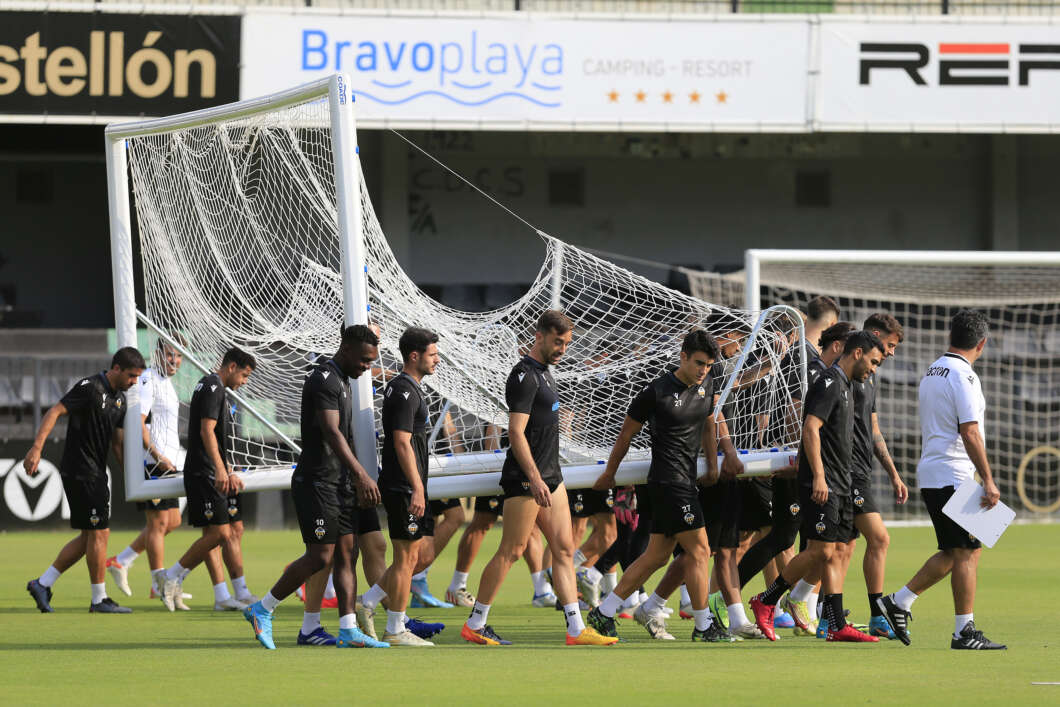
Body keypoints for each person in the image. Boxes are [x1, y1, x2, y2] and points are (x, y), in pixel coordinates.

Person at [460, 310, 616, 646]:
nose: (563, 349)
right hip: (526, 478)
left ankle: (575, 629)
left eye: (567, 343)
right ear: (539, 336)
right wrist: (533, 477)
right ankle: (476, 622)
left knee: (564, 549)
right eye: (558, 342)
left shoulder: (545, 373)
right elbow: (516, 432)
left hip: (551, 476)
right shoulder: (524, 376)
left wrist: (546, 476)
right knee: (512, 550)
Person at [588, 330, 738, 643]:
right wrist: (610, 474)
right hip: (669, 483)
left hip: (683, 481)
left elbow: (708, 422)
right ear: (683, 357)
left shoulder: (708, 385)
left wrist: (712, 465)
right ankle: (703, 626)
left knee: (656, 556)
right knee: (700, 550)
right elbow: (625, 436)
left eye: (708, 365)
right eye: (699, 363)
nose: (703, 370)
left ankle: (603, 612)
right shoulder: (655, 392)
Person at [243, 324, 387, 650]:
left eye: (371, 361)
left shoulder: (345, 381)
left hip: (340, 483)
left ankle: (348, 629)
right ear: (346, 349)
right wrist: (362, 474)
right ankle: (261, 608)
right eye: (365, 360)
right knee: (321, 556)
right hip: (317, 483)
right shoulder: (324, 379)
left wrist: (355, 477)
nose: (368, 367)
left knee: (348, 553)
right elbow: (331, 431)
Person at [877, 309, 1006, 650]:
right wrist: (988, 479)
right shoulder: (964, 376)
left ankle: (900, 601)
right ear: (982, 343)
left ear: (951, 336)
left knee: (960, 550)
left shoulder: (933, 369)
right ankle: (964, 631)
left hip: (936, 471)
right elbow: (970, 431)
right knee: (966, 551)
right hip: (953, 473)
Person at [748, 330, 885, 643]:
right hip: (823, 482)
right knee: (820, 549)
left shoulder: (848, 385)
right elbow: (810, 428)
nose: (874, 369)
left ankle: (835, 624)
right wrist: (819, 476)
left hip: (842, 481)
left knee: (833, 551)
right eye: (874, 361)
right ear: (858, 352)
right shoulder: (829, 382)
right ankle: (766, 600)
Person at [736, 320, 855, 634]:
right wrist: (806, 465)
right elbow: (797, 418)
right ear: (840, 347)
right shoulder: (813, 372)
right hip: (801, 467)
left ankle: (810, 607)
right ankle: (744, 596)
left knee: (816, 542)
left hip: (818, 469)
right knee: (789, 537)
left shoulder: (838, 378)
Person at [25, 347, 145, 614]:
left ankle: (43, 584)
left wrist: (132, 478)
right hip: (81, 470)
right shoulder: (90, 387)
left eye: (137, 377)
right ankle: (98, 599)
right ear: (116, 368)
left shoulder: (121, 400)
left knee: (90, 536)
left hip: (96, 472)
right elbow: (55, 411)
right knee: (99, 533)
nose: (134, 382)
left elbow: (117, 444)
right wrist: (36, 448)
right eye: (131, 375)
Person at [357, 327, 445, 646]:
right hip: (404, 487)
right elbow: (401, 443)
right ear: (414, 356)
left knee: (412, 556)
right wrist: (417, 488)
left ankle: (367, 602)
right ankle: (395, 629)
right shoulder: (404, 391)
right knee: (406, 558)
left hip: (407, 485)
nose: (437, 360)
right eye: (433, 354)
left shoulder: (407, 388)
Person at [159, 348, 256, 611]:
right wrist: (220, 469)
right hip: (204, 471)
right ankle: (172, 576)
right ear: (232, 366)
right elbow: (206, 431)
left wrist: (227, 467)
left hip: (212, 469)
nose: (244, 382)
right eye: (244, 375)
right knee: (220, 533)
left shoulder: (213, 386)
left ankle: (222, 594)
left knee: (223, 532)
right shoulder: (213, 387)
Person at [843, 313, 908, 639]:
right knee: (878, 538)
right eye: (890, 344)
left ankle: (818, 609)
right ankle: (877, 615)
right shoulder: (846, 372)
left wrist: (893, 473)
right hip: (846, 471)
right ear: (874, 335)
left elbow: (874, 429)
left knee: (840, 548)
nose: (892, 353)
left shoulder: (869, 376)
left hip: (861, 470)